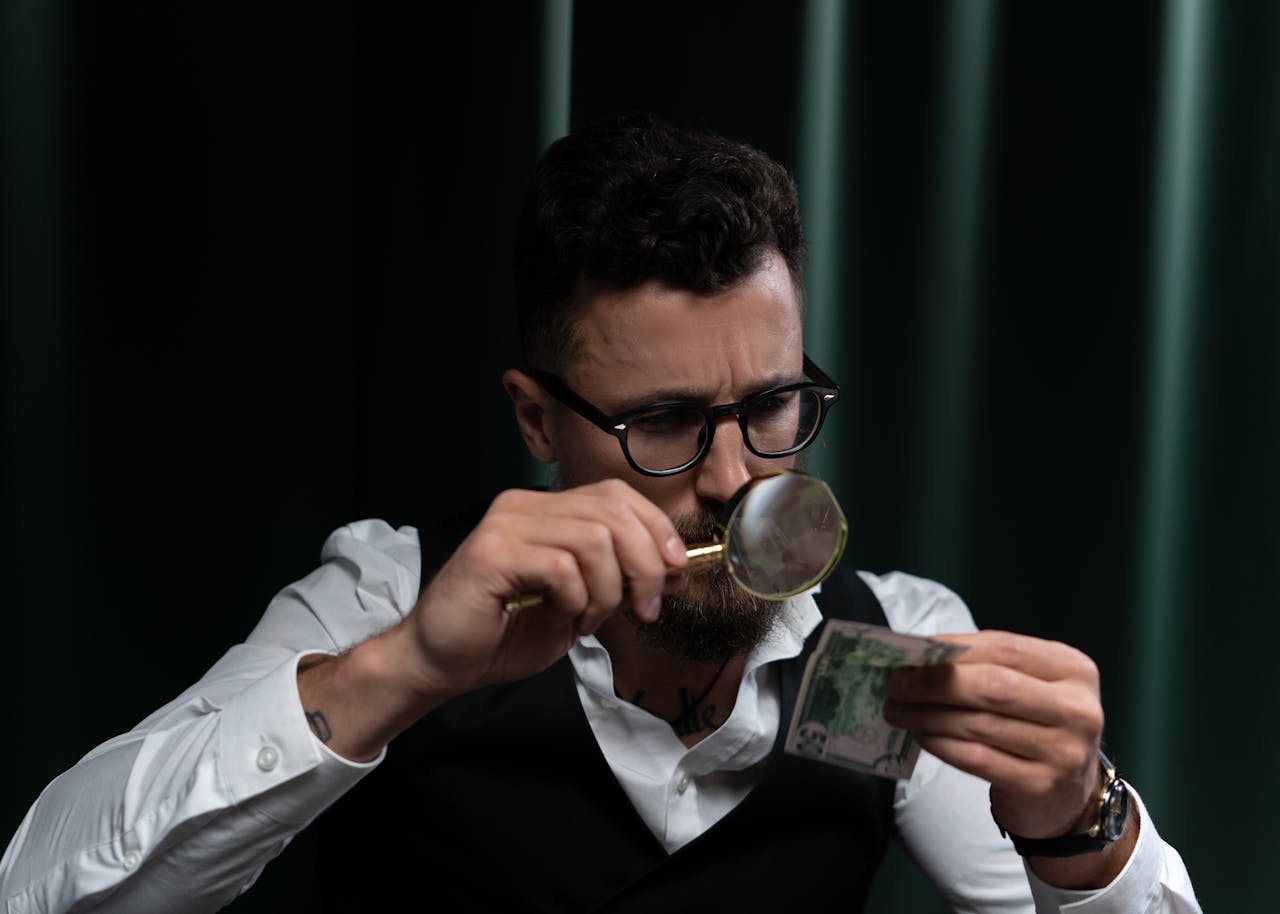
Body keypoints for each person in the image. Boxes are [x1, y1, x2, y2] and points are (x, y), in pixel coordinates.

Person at [0, 111, 1200, 914]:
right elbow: (42, 886)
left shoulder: (873, 652)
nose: (735, 477)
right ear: (536, 420)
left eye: (773, 403)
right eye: (667, 423)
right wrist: (401, 672)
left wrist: (1075, 819)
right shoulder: (382, 595)